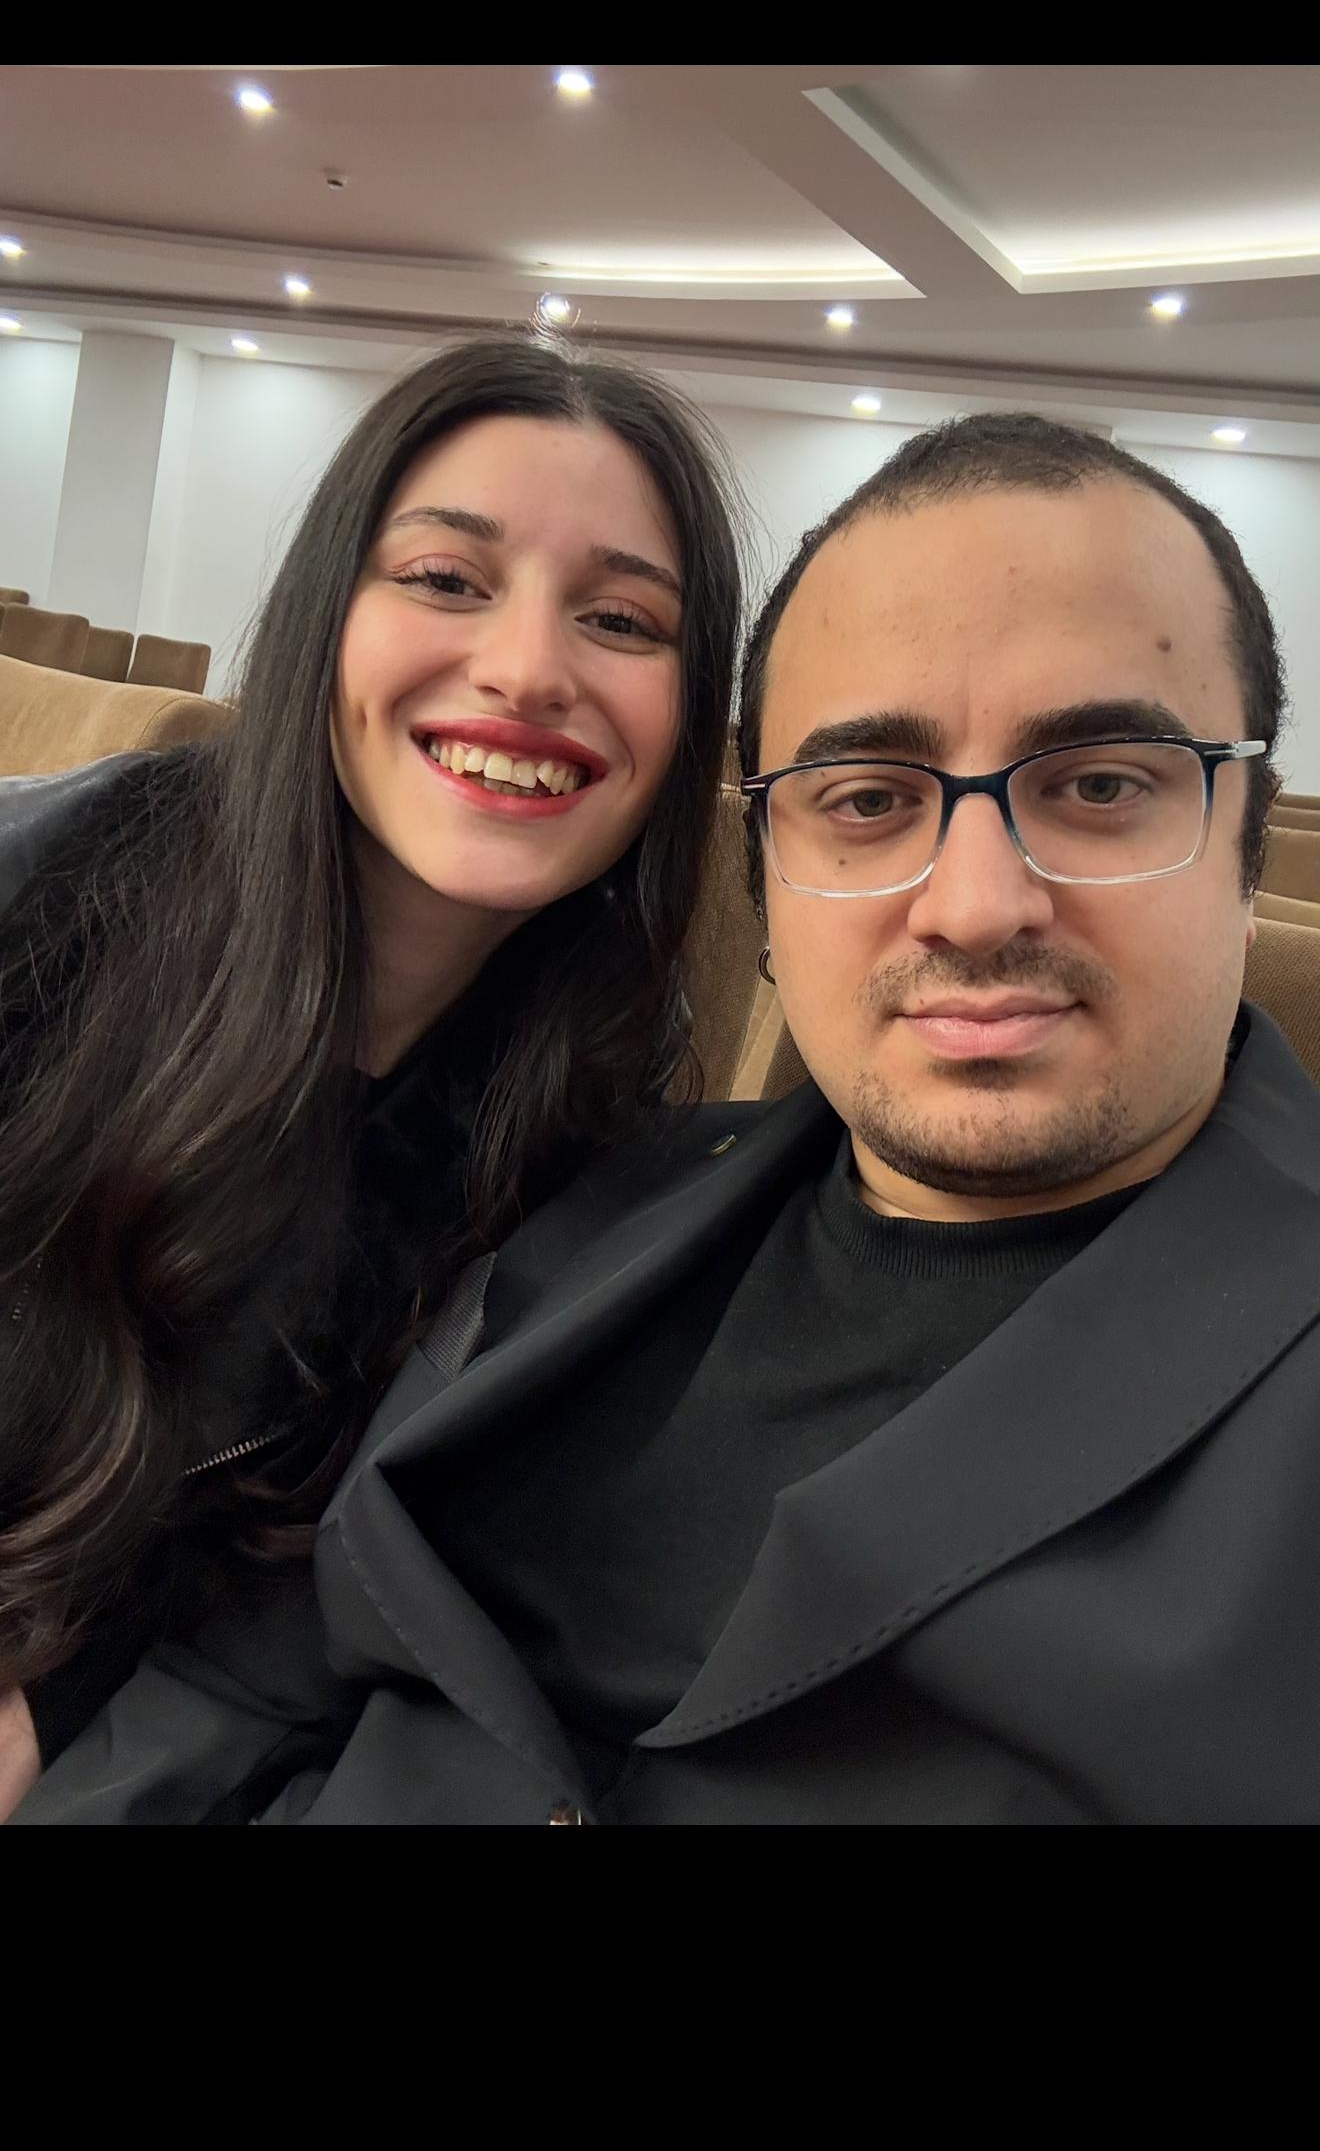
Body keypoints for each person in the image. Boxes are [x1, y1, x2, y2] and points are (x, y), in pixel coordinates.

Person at [19, 407, 1320, 1825]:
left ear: (1247, 835)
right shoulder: (587, 1197)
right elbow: (247, 1671)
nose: (973, 904)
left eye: (1100, 786)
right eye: (867, 799)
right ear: (765, 870)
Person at [0, 332, 744, 1820]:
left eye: (620, 619)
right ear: (324, 616)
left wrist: (63, 1719)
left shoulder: (597, 1112)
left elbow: (343, 1570)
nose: (527, 670)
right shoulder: (45, 902)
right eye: (447, 579)